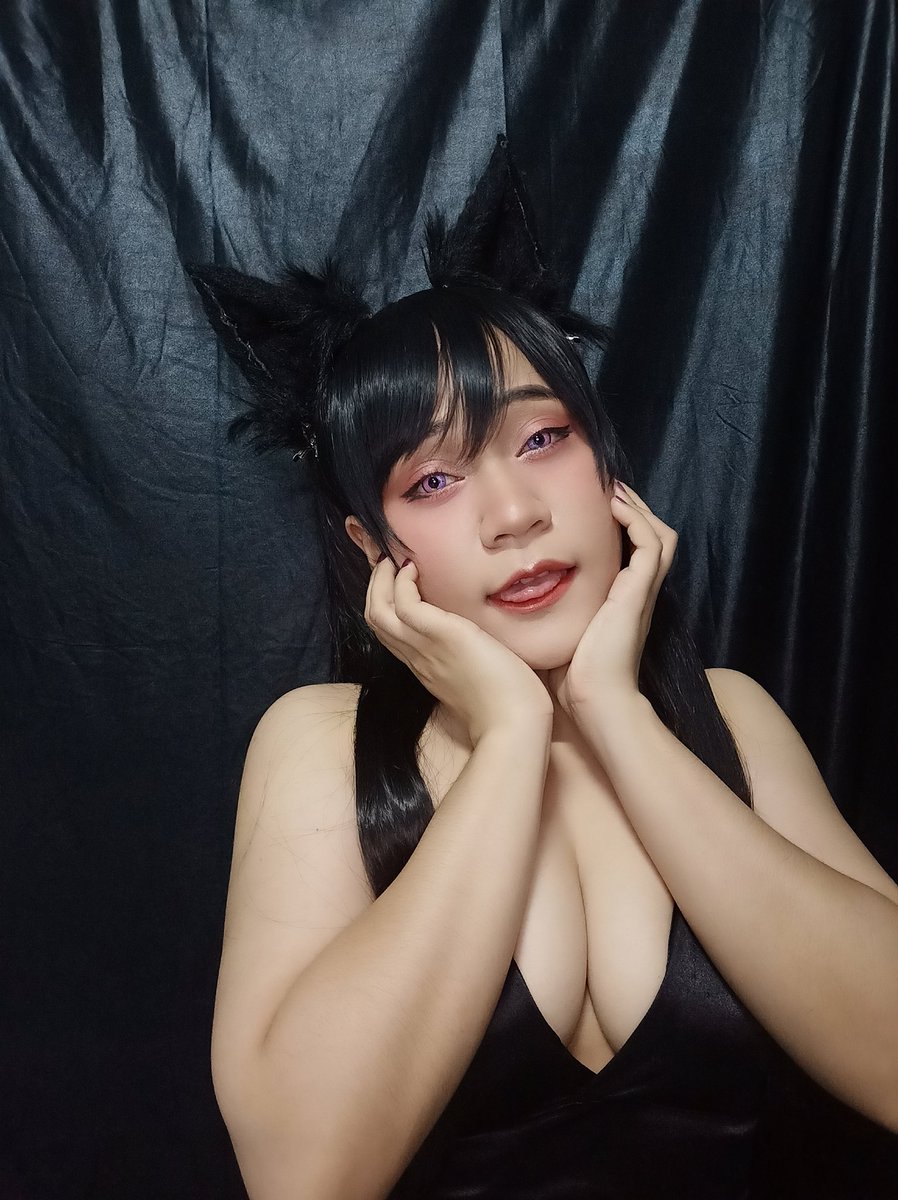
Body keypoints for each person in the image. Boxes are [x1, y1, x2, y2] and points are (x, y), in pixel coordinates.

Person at [189, 138, 898, 1200]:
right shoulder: (321, 747)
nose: (514, 513)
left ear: (606, 466)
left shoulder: (730, 720)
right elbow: (305, 1175)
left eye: (541, 439)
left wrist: (615, 712)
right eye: (431, 481)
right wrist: (512, 733)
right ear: (368, 546)